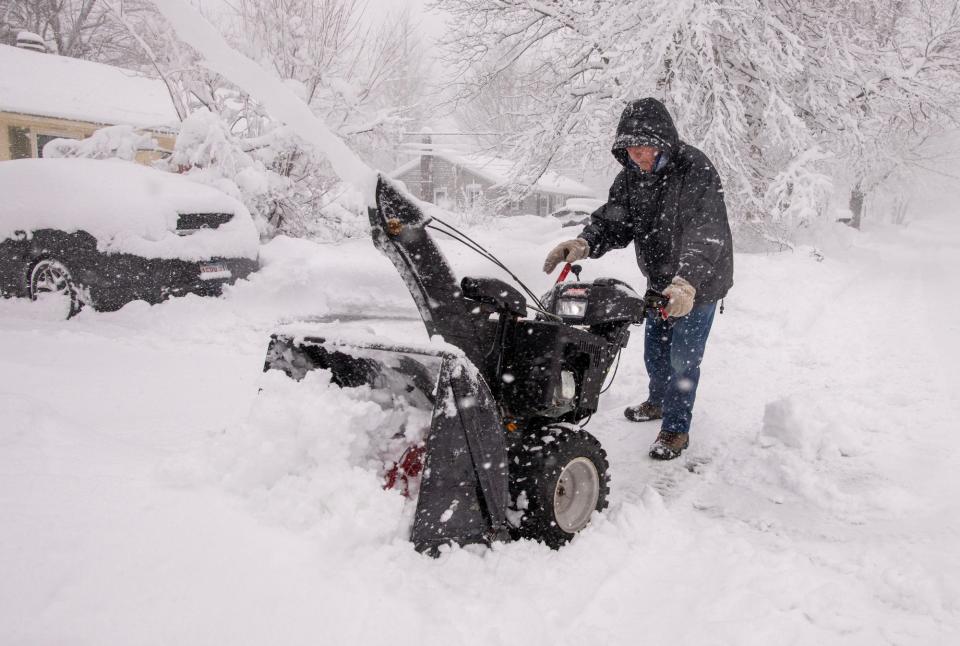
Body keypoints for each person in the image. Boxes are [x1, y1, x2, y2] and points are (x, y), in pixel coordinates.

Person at [542, 97, 733, 460]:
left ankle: (676, 428)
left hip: (700, 283)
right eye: (631, 150)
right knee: (656, 350)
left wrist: (687, 282)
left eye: (644, 149)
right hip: (660, 278)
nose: (639, 158)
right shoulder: (631, 178)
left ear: (662, 142)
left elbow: (705, 232)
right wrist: (584, 242)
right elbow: (614, 221)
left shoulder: (695, 169)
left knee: (683, 359)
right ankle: (659, 401)